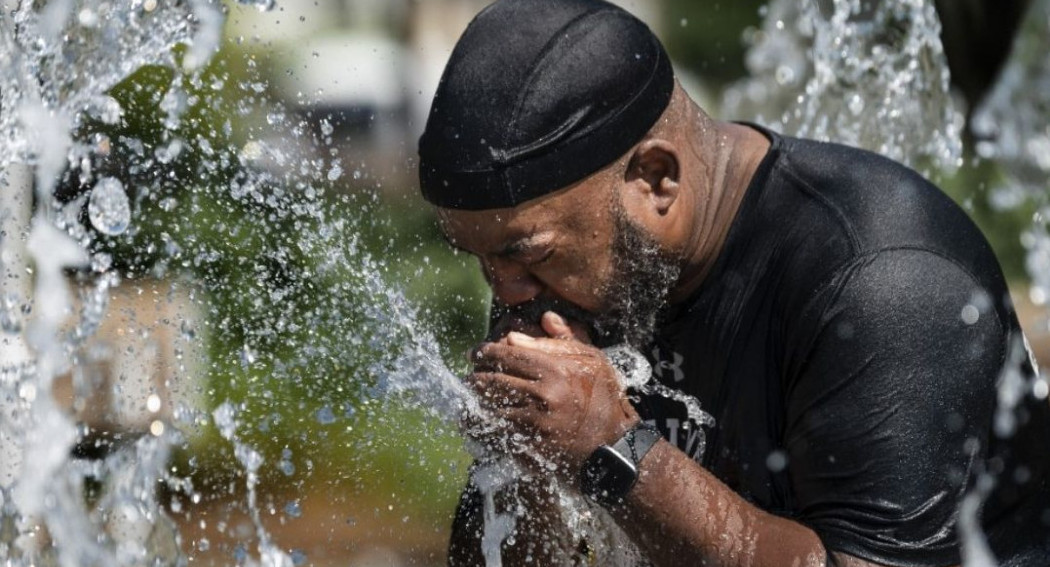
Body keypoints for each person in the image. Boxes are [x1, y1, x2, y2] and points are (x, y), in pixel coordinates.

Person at [416, 0, 1050, 565]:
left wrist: (613, 450)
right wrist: (529, 469)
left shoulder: (884, 280)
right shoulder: (592, 268)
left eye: (525, 255)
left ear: (656, 180)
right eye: (481, 260)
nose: (506, 293)